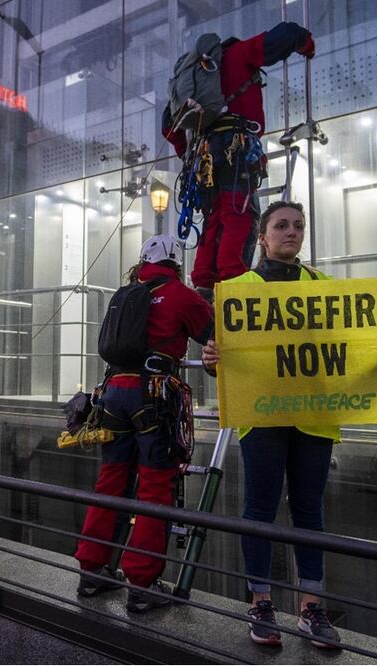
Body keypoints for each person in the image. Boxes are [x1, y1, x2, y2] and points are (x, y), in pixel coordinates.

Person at [201, 201, 377, 648]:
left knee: (309, 511)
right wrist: (211, 360)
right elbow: (225, 361)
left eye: (298, 225)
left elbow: (351, 340)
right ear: (263, 237)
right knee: (259, 509)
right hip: (261, 415)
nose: (291, 232)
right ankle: (260, 603)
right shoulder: (239, 289)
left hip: (314, 414)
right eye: (281, 225)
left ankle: (311, 609)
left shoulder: (325, 287)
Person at [74, 234, 213, 613]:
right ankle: (142, 583)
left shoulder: (126, 294)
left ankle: (93, 572)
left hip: (113, 392)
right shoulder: (183, 295)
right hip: (152, 396)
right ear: (176, 264)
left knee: (111, 480)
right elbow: (214, 334)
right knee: (154, 486)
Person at [163, 22, 316, 299]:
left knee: (213, 219)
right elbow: (288, 34)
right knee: (239, 215)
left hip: (204, 154)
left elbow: (168, 123)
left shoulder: (192, 80)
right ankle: (234, 284)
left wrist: (187, 152)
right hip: (237, 148)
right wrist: (307, 45)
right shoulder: (238, 54)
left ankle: (203, 284)